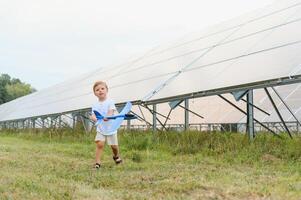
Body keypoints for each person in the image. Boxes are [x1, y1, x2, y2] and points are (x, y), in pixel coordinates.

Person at [90, 81, 122, 169]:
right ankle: (97, 163)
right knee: (100, 144)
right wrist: (94, 118)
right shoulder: (95, 104)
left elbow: (111, 111)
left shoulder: (110, 101)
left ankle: (116, 156)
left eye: (102, 89)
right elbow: (93, 114)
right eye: (97, 90)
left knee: (114, 146)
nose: (100, 91)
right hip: (101, 128)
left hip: (111, 128)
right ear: (95, 93)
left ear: (107, 90)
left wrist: (107, 116)